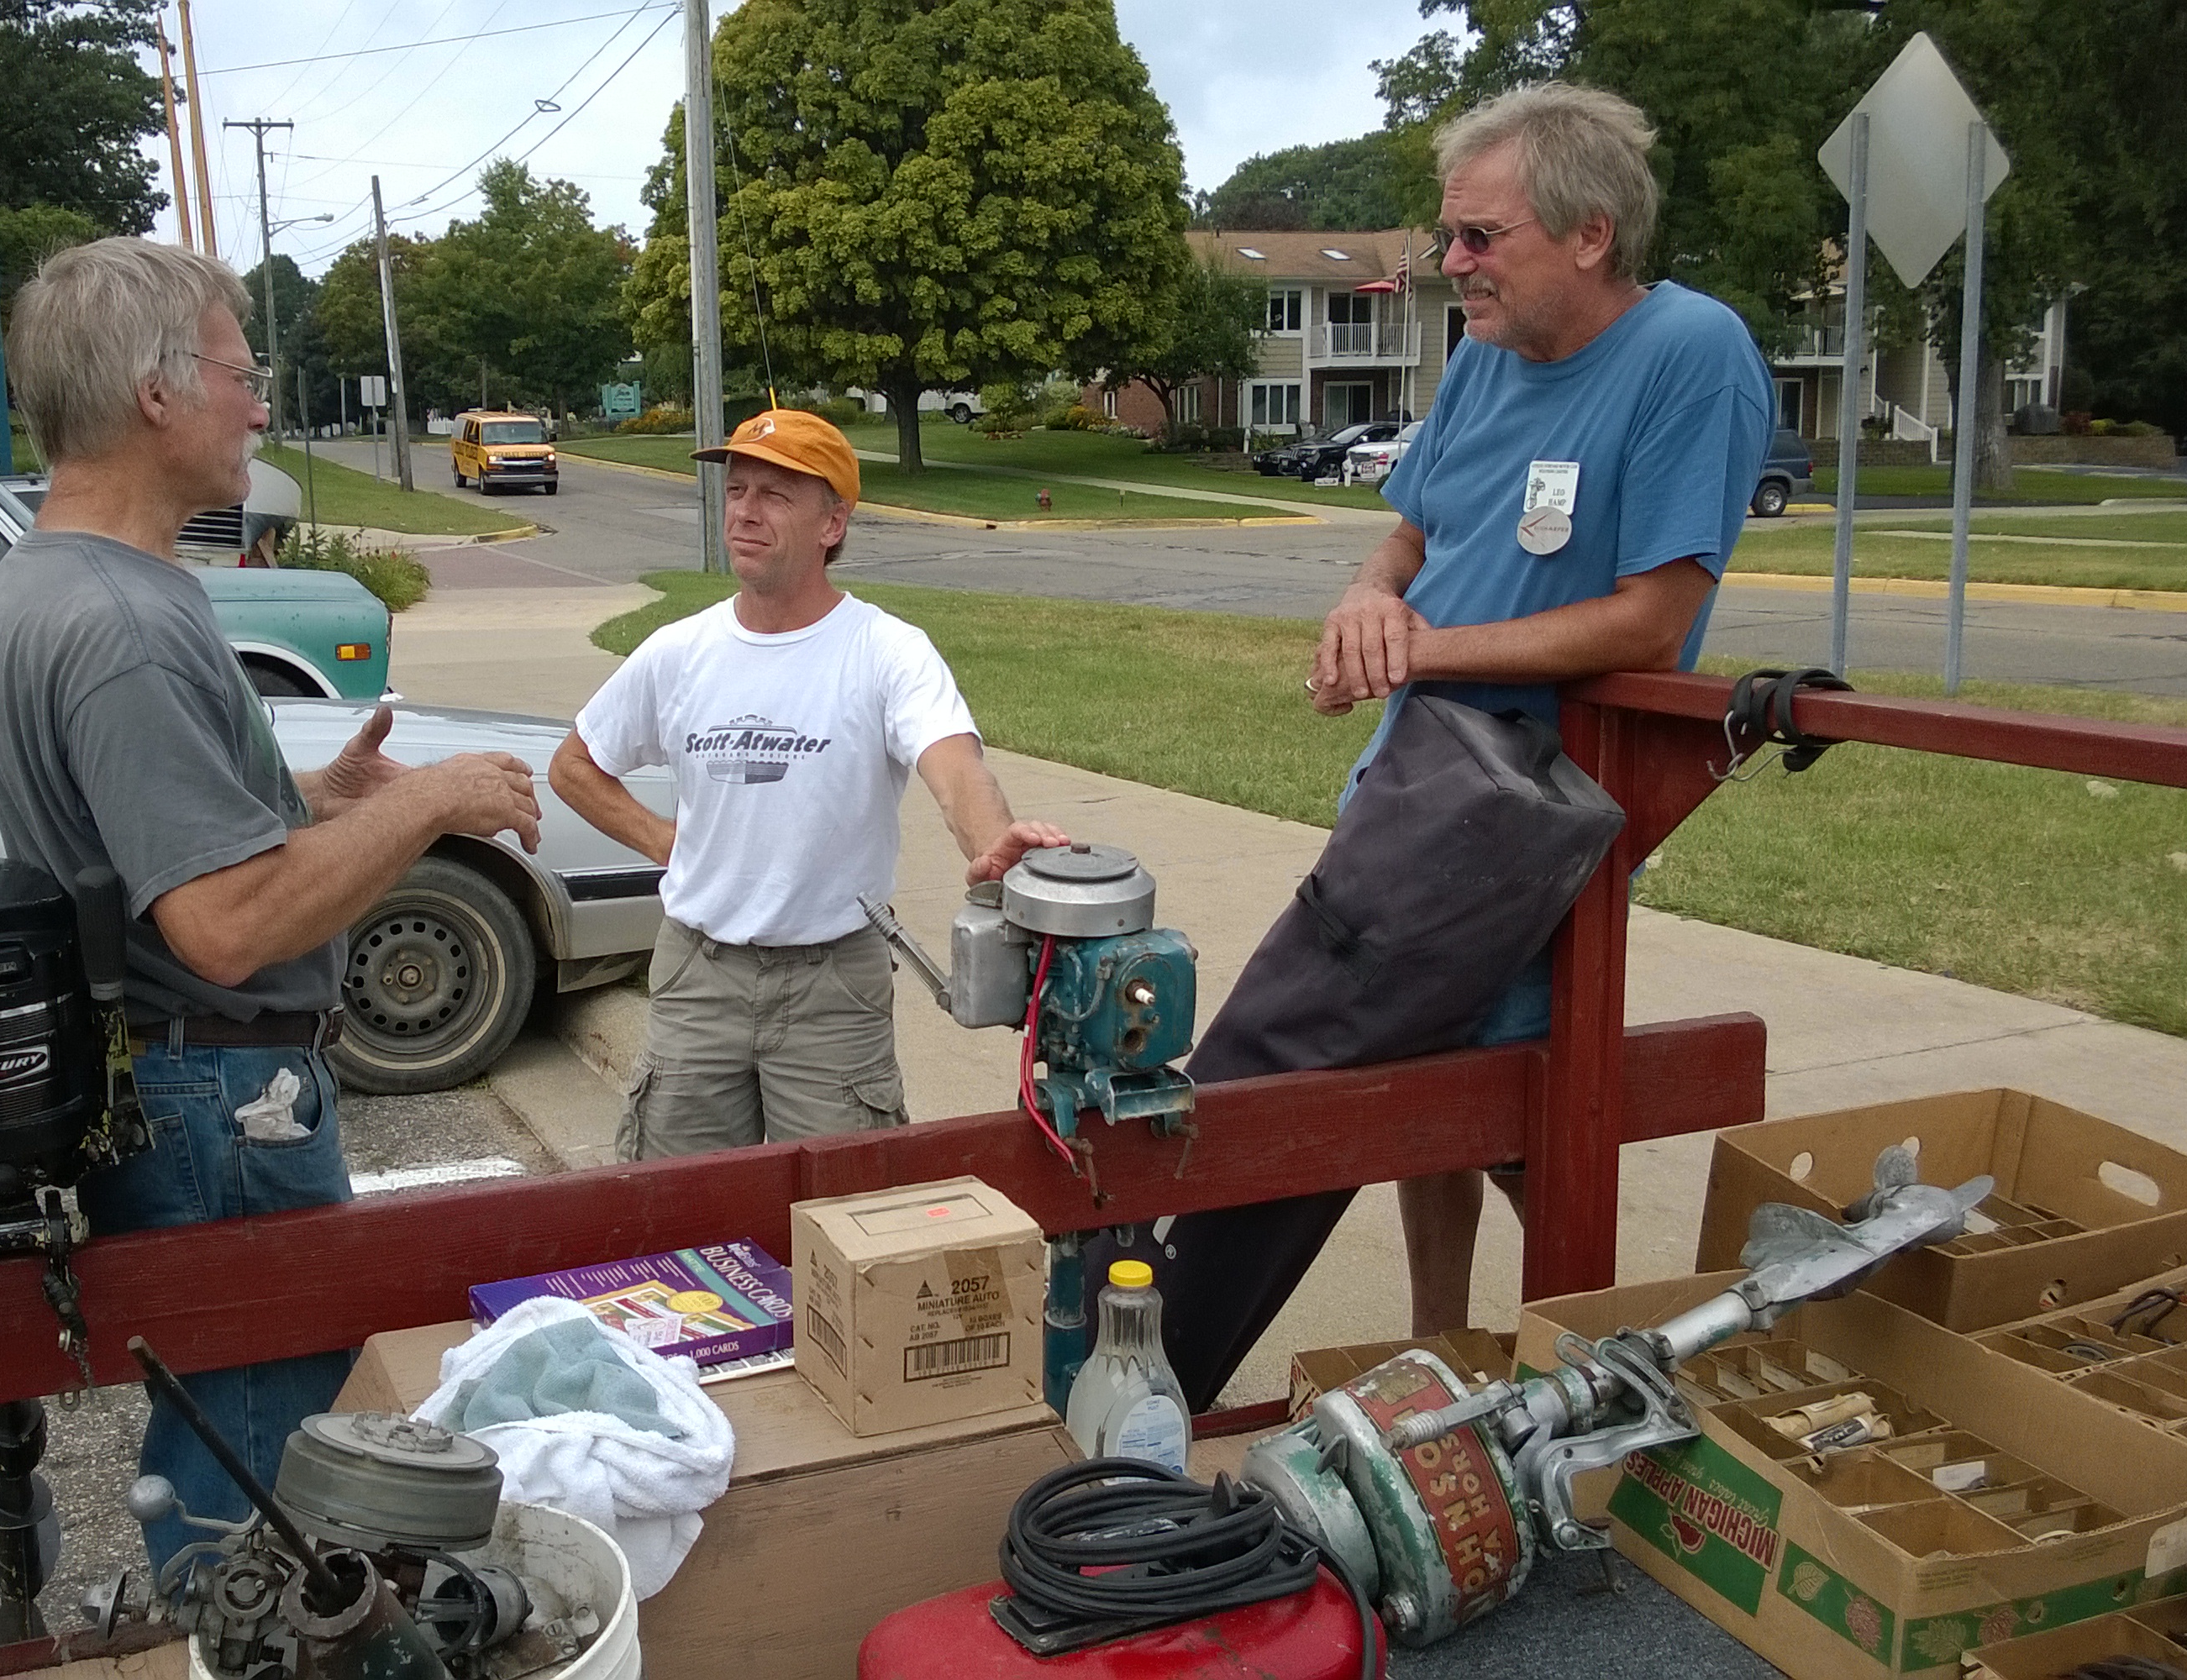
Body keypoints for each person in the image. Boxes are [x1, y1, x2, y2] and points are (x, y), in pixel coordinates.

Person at [1130, 82, 1774, 1399]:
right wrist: (1371, 601)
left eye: (1482, 237)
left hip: (1529, 820)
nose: (1452, 264)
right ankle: (1441, 1347)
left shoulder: (1690, 352)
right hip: (1418, 785)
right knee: (1415, 1080)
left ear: (1590, 234)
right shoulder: (1485, 352)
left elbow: (1655, 620)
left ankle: (1626, 1379)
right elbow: (1415, 533)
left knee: (1508, 1112)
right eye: (1450, 235)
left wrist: (1424, 651)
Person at [0, 237, 543, 1570]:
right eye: (241, 373)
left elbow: (148, 836)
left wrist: (317, 803)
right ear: (156, 392)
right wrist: (427, 802)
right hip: (218, 1109)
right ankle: (227, 1635)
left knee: (232, 1426)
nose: (259, 404)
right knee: (252, 1465)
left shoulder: (56, 578)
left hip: (180, 1090)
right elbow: (224, 928)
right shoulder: (122, 624)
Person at [549, 409, 1068, 1158]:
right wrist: (667, 842)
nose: (745, 511)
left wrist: (994, 844)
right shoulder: (679, 652)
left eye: (775, 495)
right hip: (698, 975)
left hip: (835, 986)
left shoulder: (886, 651)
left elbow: (955, 768)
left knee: (843, 1207)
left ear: (833, 522)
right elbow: (575, 766)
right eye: (737, 490)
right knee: (683, 1206)